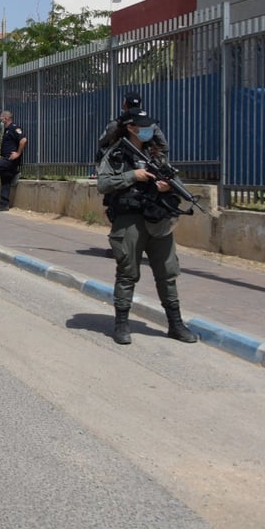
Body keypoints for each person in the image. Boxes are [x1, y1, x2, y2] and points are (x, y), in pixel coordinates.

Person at [96, 109, 197, 346]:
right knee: (128, 272)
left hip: (158, 219)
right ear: (131, 128)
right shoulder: (116, 154)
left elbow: (175, 183)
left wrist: (166, 187)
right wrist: (133, 175)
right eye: (144, 126)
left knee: (167, 272)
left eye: (150, 126)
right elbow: (103, 183)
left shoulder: (157, 155)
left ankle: (175, 324)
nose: (149, 130)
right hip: (130, 220)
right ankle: (122, 324)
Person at [98, 92, 169, 159]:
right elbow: (165, 146)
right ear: (139, 105)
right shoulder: (151, 124)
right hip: (146, 163)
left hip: (121, 164)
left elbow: (102, 141)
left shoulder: (117, 123)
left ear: (124, 105)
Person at [0, 110, 26, 212]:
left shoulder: (14, 128)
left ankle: (14, 173)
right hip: (6, 158)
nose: (0, 119)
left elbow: (23, 140)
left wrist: (17, 153)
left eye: (1, 117)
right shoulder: (7, 130)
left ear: (6, 118)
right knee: (5, 181)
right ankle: (4, 204)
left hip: (10, 159)